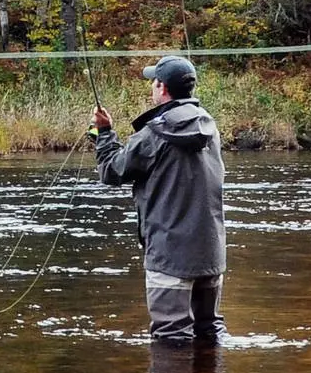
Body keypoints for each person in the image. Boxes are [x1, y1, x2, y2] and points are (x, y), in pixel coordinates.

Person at [88, 55, 227, 345]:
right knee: (209, 333)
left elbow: (112, 171)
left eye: (153, 81)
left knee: (170, 340)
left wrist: (103, 132)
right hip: (211, 255)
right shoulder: (209, 126)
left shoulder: (154, 134)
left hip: (170, 256)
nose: (151, 86)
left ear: (162, 88)